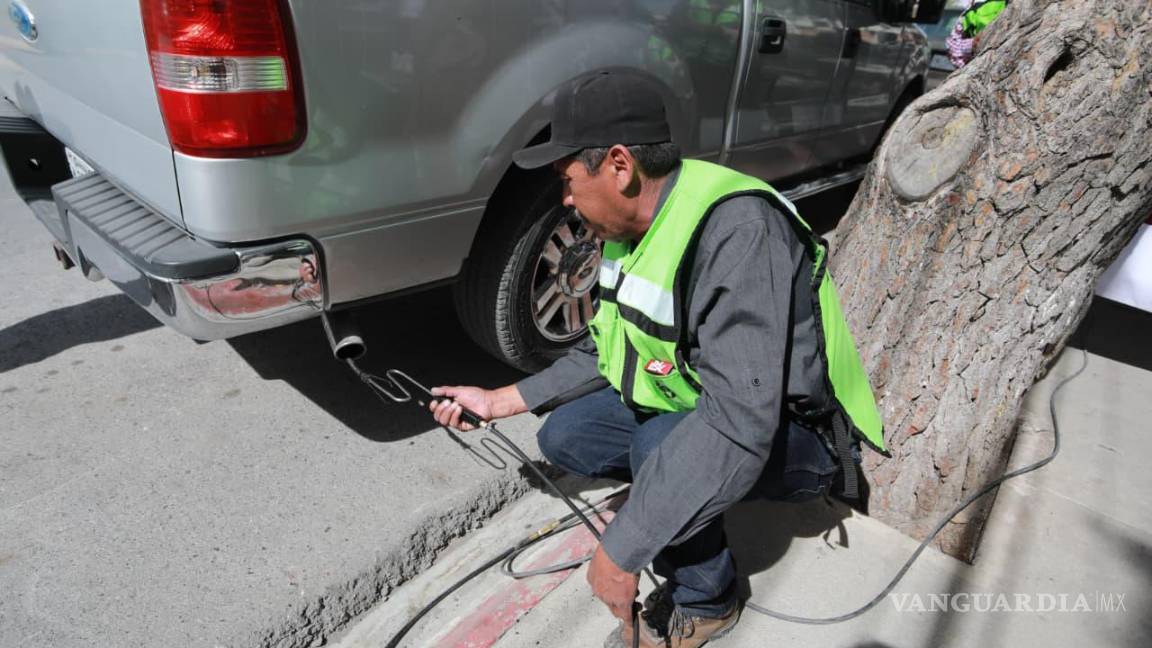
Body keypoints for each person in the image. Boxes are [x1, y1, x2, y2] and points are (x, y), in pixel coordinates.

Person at [429, 71, 871, 648]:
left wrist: (626, 545)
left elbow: (740, 425)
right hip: (698, 401)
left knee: (659, 452)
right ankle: (676, 497)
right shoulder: (627, 226)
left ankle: (709, 601)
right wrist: (497, 401)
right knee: (567, 435)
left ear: (618, 165)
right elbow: (604, 346)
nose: (564, 197)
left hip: (796, 439)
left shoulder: (738, 233)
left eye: (567, 179)